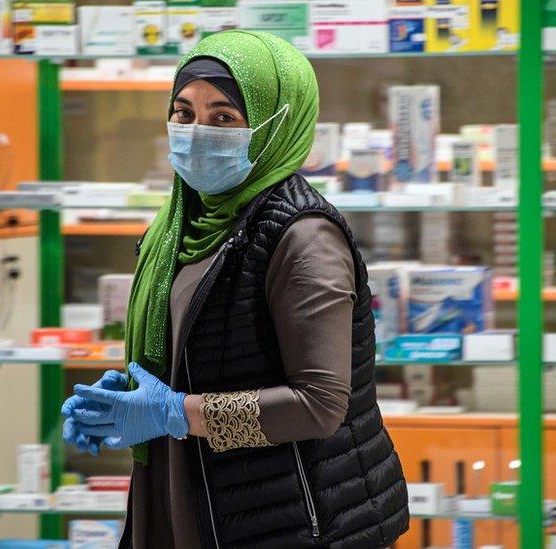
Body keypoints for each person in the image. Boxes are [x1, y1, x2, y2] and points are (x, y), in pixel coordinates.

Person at [62, 30, 409, 549]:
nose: (196, 132)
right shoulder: (181, 223)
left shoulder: (303, 237)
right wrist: (134, 397)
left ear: (277, 125)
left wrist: (175, 412)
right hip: (195, 498)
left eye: (224, 117)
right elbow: (206, 346)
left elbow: (318, 406)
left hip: (287, 521)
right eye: (183, 112)